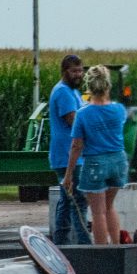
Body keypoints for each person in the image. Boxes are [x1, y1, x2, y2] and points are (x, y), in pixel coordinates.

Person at [62, 65, 128, 245]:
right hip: (118, 160)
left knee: (98, 212)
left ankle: (102, 252)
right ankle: (116, 247)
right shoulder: (119, 109)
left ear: (88, 86)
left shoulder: (83, 114)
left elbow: (77, 145)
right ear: (108, 85)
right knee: (109, 206)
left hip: (95, 163)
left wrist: (68, 175)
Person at [49, 54, 91, 245]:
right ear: (64, 71)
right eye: (74, 71)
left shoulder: (73, 92)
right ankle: (85, 245)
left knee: (66, 202)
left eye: (81, 70)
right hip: (68, 155)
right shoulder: (63, 93)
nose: (79, 74)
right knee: (78, 201)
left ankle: (61, 243)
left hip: (71, 155)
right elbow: (74, 122)